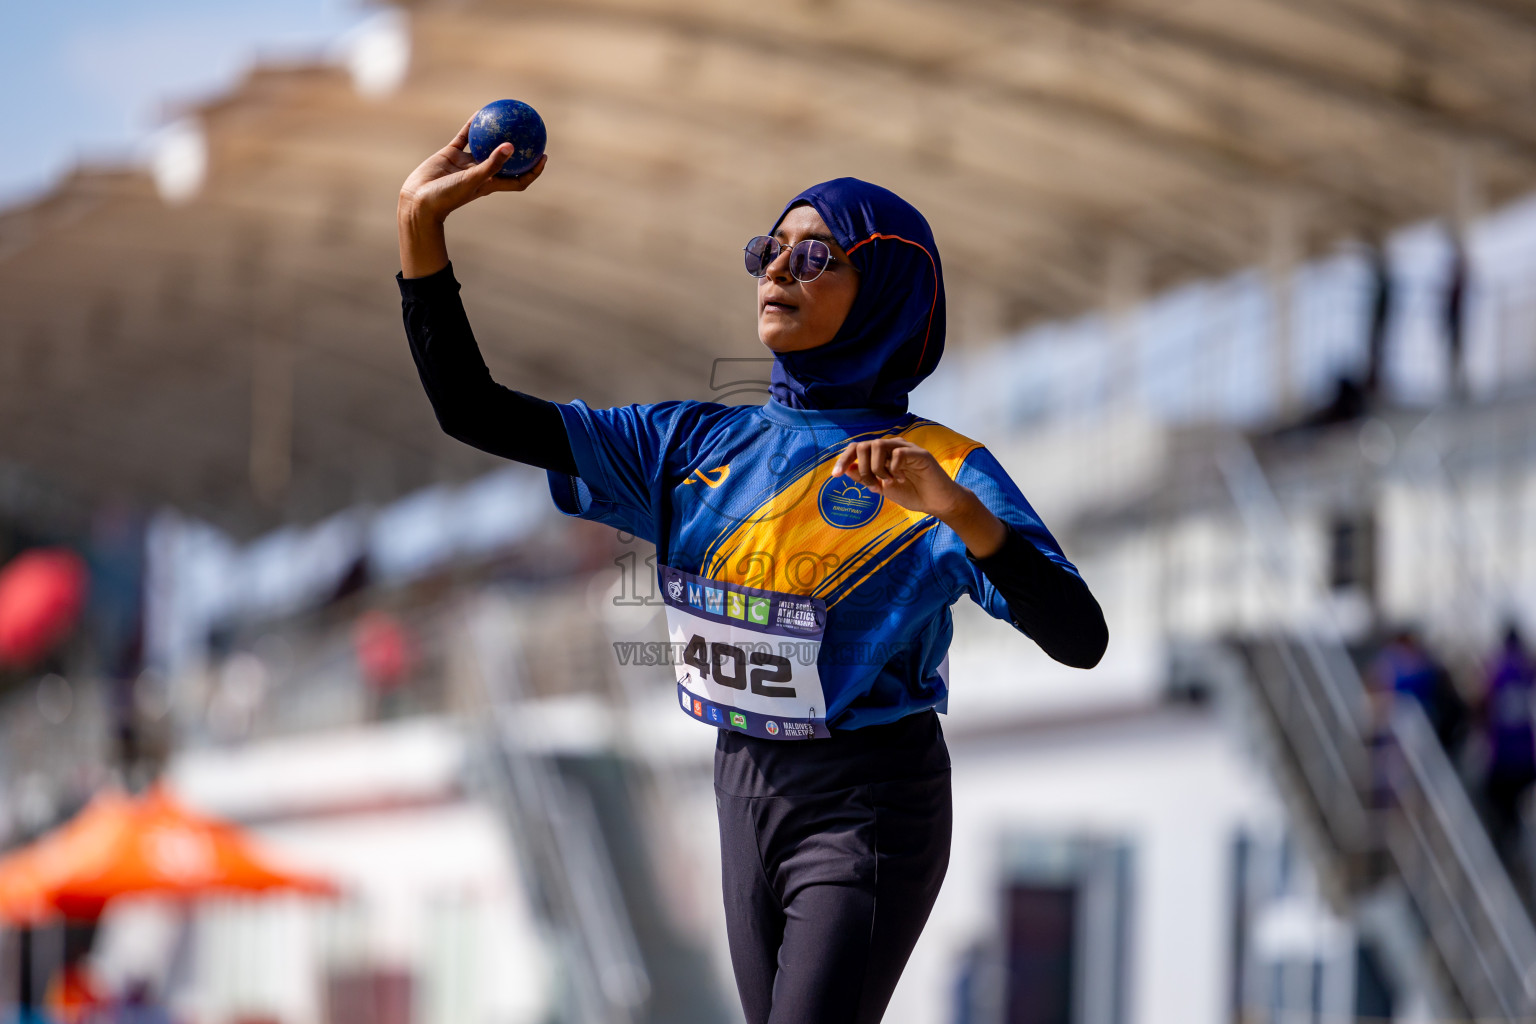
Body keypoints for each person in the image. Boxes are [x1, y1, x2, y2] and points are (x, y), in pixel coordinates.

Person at [396, 120, 1108, 1024]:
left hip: (870, 804)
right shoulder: (688, 443)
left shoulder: (943, 469)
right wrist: (420, 234)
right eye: (769, 249)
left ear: (887, 289)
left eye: (815, 257)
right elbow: (473, 410)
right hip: (742, 790)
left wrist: (963, 518)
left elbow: (1083, 638)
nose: (777, 269)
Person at [1478, 626, 1536, 860]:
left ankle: (1504, 849)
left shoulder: (1496, 669)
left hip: (1503, 756)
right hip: (1526, 756)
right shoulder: (1527, 668)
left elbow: (1483, 703)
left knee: (1497, 807)